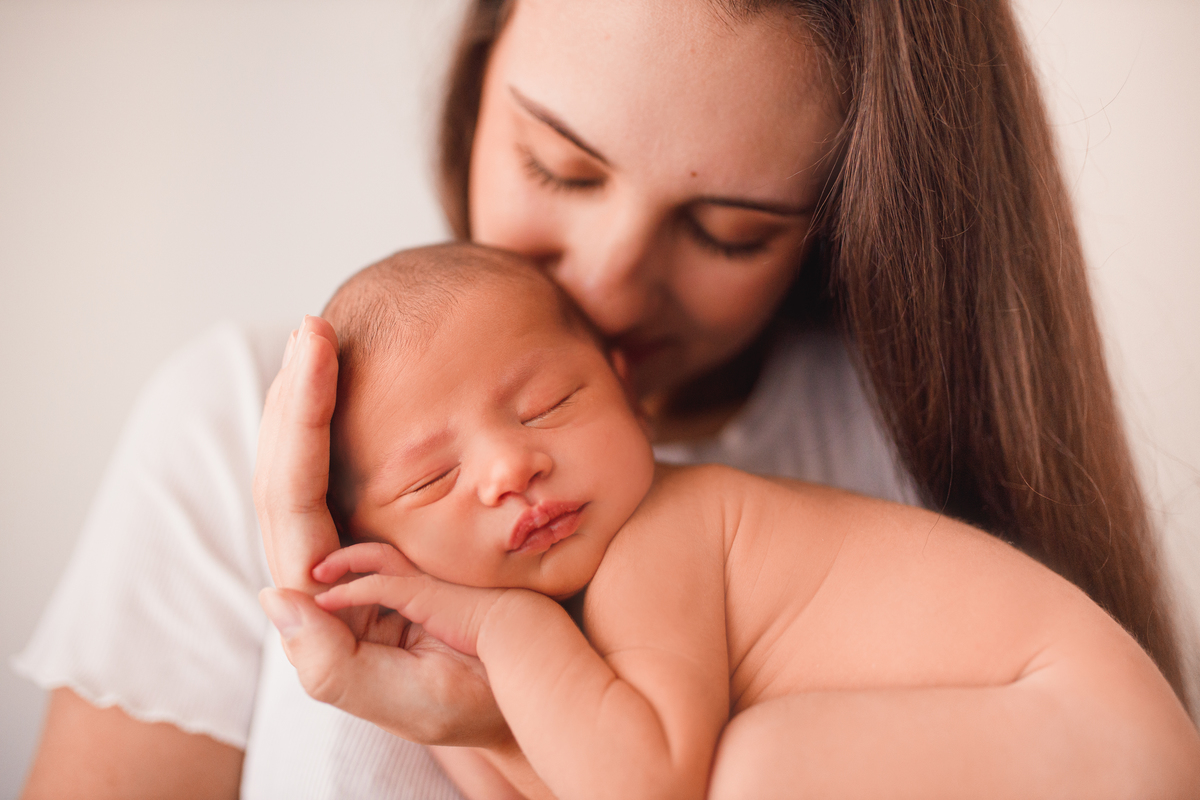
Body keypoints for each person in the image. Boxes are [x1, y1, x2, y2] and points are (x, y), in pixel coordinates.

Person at [15, 0, 1192, 797]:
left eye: (730, 230)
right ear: (479, 79)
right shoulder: (237, 417)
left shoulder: (740, 498)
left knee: (759, 765)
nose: (610, 283)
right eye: (557, 167)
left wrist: (494, 650)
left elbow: (649, 780)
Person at [290, 242, 1199, 798]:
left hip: (1087, 735)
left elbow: (644, 789)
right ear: (376, 546)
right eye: (433, 479)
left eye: (546, 405)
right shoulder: (549, 665)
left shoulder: (665, 533)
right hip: (1056, 747)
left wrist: (503, 622)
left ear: (625, 389)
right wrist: (452, 701)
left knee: (754, 771)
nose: (508, 467)